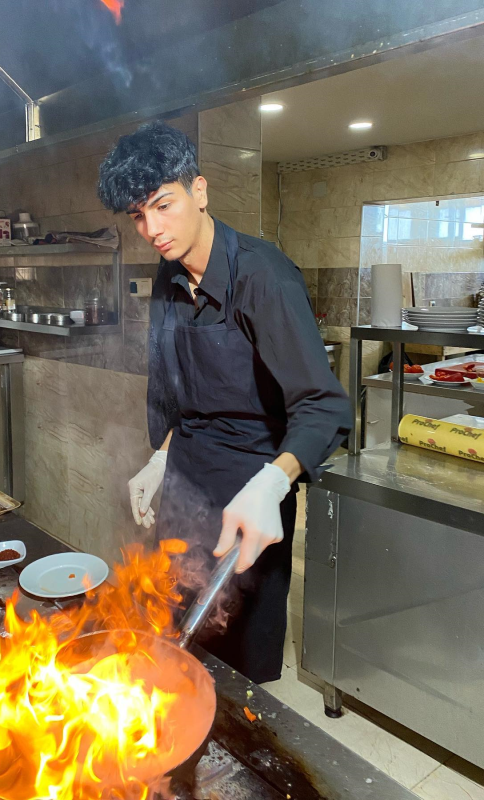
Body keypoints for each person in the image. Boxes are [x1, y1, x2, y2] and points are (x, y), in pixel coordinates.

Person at [98, 121, 351, 683]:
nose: (153, 229)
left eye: (164, 206)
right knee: (173, 645)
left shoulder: (264, 277)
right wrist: (161, 456)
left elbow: (323, 405)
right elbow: (173, 388)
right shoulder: (167, 280)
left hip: (251, 495)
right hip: (185, 486)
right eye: (140, 216)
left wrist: (273, 484)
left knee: (238, 664)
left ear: (201, 191)